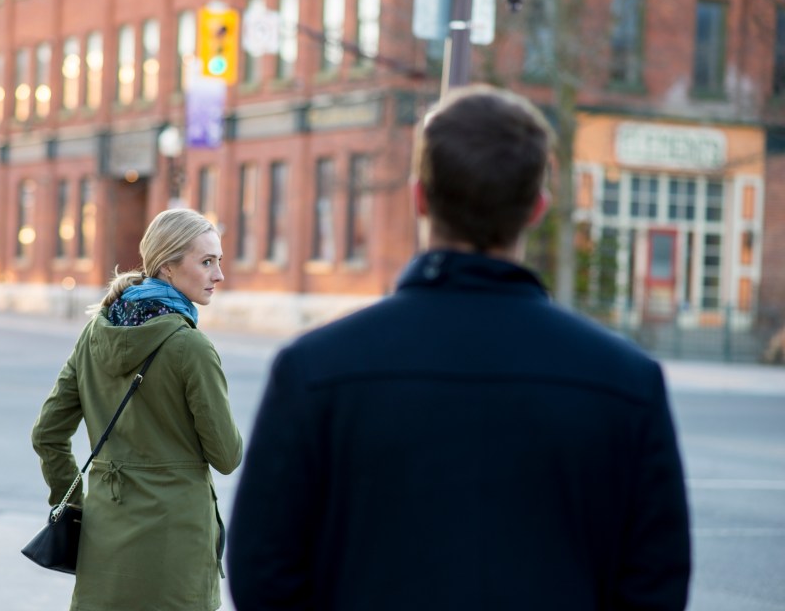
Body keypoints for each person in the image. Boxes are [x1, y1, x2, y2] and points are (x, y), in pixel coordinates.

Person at [227, 85, 691, 610]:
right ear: (536, 207)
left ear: (419, 198)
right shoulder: (627, 383)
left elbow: (262, 573)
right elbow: (655, 583)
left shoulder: (314, 371)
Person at [31, 208, 243, 611]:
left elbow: (47, 434)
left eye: (219, 261)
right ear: (167, 266)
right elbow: (227, 456)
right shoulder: (192, 349)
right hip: (176, 555)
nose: (219, 275)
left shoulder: (95, 333)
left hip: (103, 543)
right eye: (206, 262)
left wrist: (72, 502)